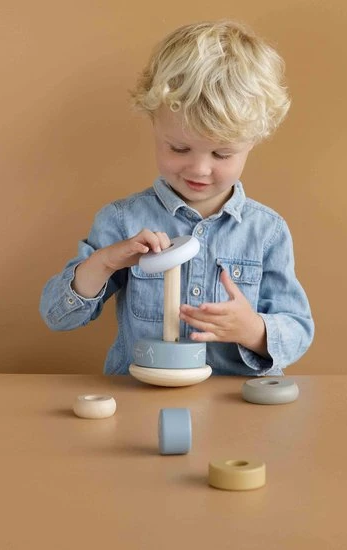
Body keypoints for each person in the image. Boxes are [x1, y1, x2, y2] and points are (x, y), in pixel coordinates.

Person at [40, 20, 314, 376]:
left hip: (232, 400)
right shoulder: (122, 220)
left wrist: (252, 330)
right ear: (154, 125)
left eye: (222, 154)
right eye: (179, 148)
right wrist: (104, 262)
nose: (199, 169)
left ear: (253, 143)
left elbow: (298, 329)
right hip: (143, 394)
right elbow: (57, 315)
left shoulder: (267, 231)